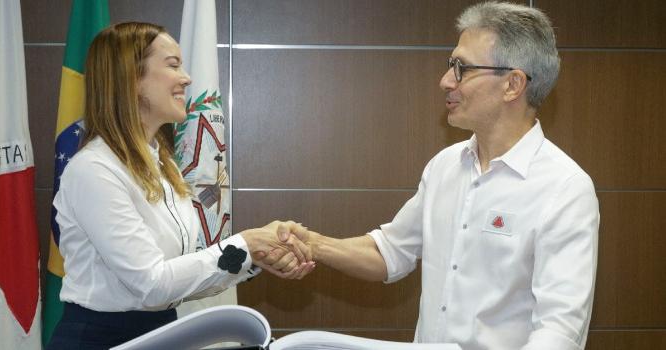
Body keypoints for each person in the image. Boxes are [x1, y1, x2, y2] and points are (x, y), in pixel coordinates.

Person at [281, 2, 599, 349]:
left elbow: (559, 331)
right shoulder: (445, 166)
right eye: (451, 65)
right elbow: (390, 253)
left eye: (462, 68)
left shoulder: (565, 189)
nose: (445, 81)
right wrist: (313, 244)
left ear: (513, 84)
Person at [46, 22, 314, 349]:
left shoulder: (164, 166)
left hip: (161, 332)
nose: (186, 78)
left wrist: (255, 256)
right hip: (102, 339)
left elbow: (179, 281)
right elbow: (152, 285)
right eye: (173, 65)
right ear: (131, 78)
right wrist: (247, 242)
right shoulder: (94, 170)